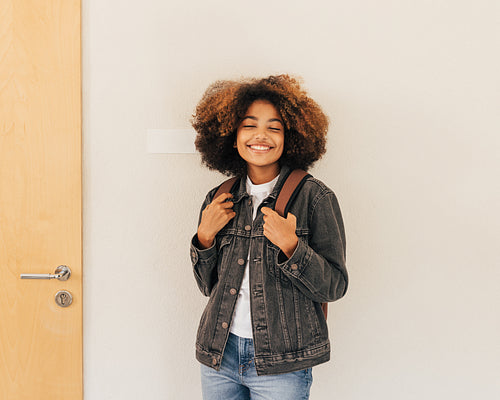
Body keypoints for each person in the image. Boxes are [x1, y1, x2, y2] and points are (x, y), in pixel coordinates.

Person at [189, 75, 348, 400]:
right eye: (249, 126)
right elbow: (208, 286)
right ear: (232, 137)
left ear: (291, 138)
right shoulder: (219, 198)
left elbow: (335, 286)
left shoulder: (314, 198)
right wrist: (204, 237)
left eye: (274, 128)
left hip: (283, 362)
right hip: (219, 353)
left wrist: (292, 247)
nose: (261, 135)